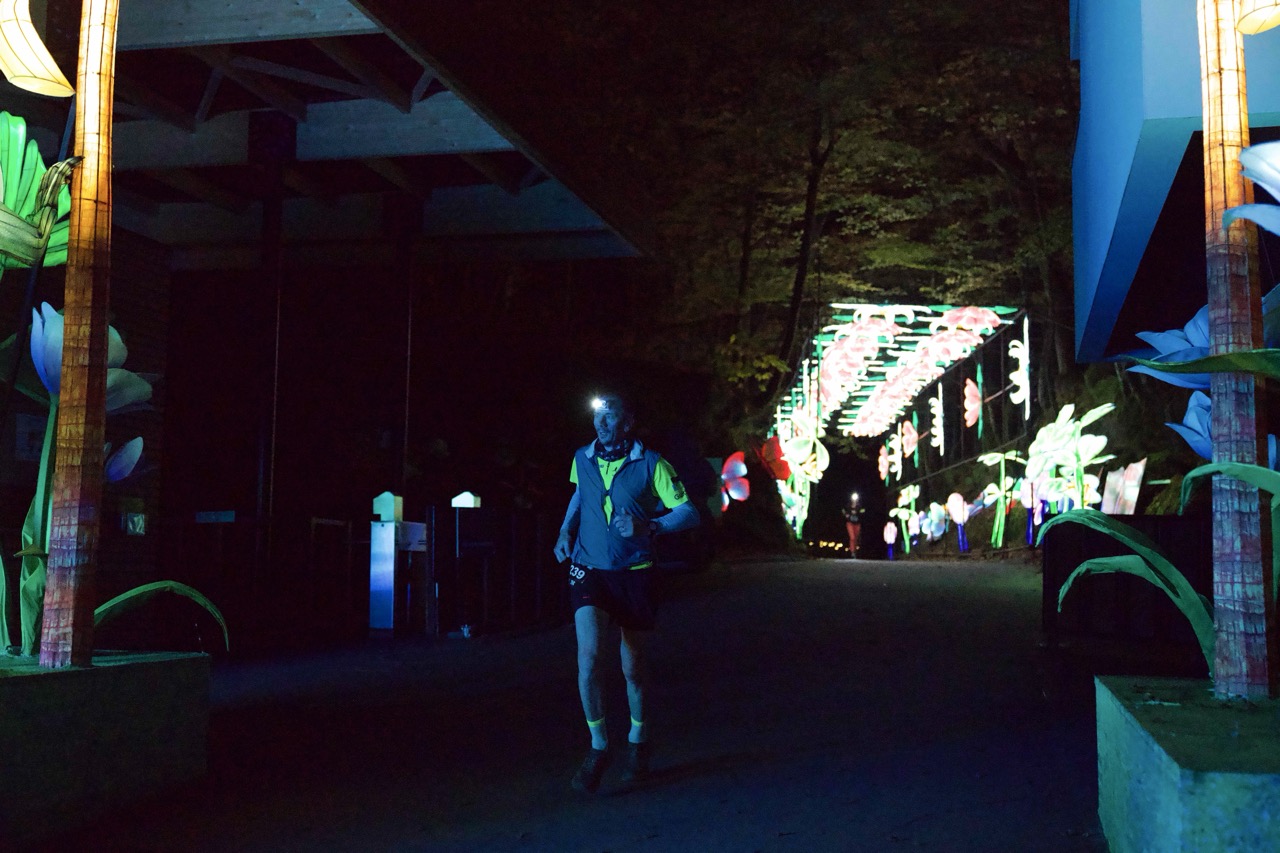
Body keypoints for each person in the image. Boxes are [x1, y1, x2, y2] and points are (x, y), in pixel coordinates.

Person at [553, 393, 699, 793]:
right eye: (597, 416)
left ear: (628, 422)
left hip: (634, 572)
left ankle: (639, 739)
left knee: (632, 666)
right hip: (589, 568)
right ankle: (598, 746)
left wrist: (650, 526)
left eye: (610, 417)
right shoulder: (582, 457)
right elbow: (580, 495)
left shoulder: (651, 464)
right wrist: (565, 530)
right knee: (588, 658)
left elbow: (688, 512)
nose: (601, 423)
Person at [842, 492, 865, 557]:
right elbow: (843, 510)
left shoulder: (859, 506)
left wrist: (858, 512)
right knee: (852, 537)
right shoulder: (848, 505)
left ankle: (855, 550)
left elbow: (863, 511)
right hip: (850, 523)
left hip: (857, 523)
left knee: (856, 538)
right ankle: (852, 551)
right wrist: (846, 514)